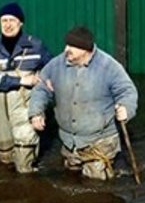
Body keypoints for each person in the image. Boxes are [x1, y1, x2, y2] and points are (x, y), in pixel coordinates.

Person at [29, 26, 138, 180]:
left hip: (100, 140)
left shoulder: (109, 67)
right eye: (66, 44)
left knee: (96, 183)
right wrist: (36, 112)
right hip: (69, 140)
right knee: (71, 176)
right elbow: (41, 88)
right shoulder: (56, 65)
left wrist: (126, 108)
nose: (66, 49)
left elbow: (127, 91)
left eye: (72, 46)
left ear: (86, 49)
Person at [0, 2, 51, 174]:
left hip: (25, 104)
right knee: (5, 155)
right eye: (4, 21)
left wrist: (41, 90)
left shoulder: (36, 45)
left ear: (21, 23)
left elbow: (50, 72)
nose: (8, 25)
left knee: (25, 153)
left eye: (12, 20)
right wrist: (20, 80)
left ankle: (29, 185)